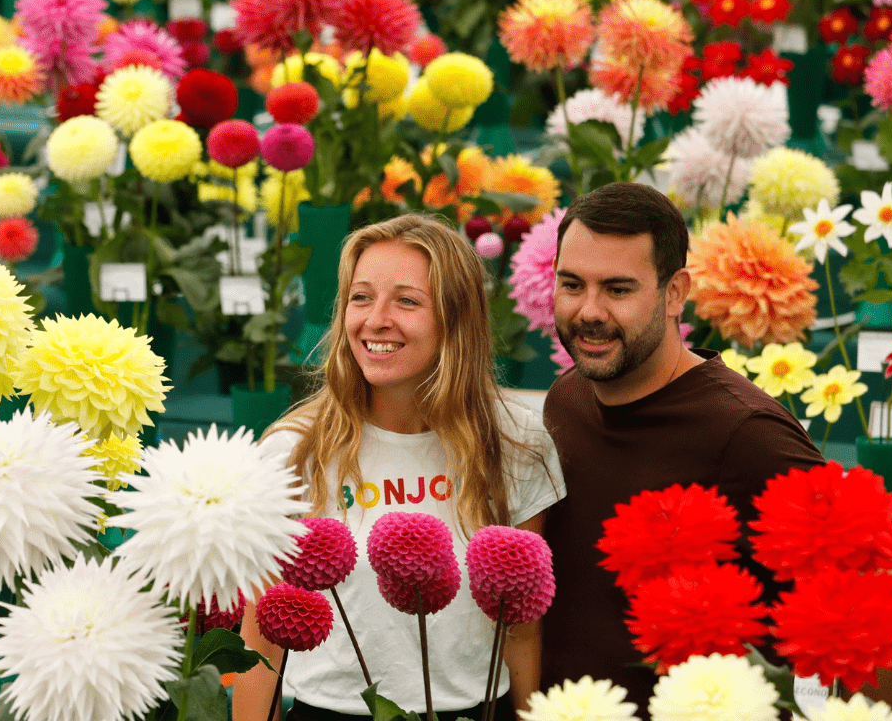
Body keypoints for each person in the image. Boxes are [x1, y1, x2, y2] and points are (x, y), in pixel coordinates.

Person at [234, 214, 565, 721]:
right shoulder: (294, 451)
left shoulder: (517, 444)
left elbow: (522, 625)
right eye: (361, 297)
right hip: (331, 712)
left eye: (407, 301)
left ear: (455, 320)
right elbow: (261, 635)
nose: (375, 319)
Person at [539, 182, 824, 711]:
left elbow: (866, 609)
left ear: (675, 292)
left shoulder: (748, 434)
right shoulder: (566, 399)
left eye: (619, 289)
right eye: (572, 284)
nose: (589, 311)